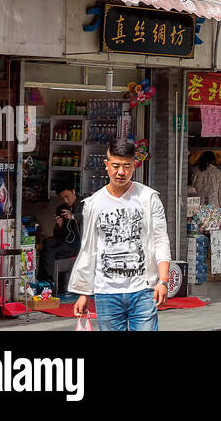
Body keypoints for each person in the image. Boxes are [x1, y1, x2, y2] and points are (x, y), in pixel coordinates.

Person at [70, 138, 172, 331]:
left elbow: (161, 240)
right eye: (116, 166)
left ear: (134, 166)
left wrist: (163, 281)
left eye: (127, 166)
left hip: (143, 289)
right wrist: (84, 293)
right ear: (106, 165)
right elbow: (89, 249)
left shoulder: (149, 198)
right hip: (106, 292)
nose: (121, 172)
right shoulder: (93, 203)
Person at [38, 186, 82, 288]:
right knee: (48, 242)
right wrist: (59, 225)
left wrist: (73, 217)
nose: (66, 200)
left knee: (51, 251)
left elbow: (86, 216)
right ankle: (43, 279)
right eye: (63, 199)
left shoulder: (85, 204)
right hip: (65, 241)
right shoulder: (61, 209)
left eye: (67, 196)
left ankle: (48, 280)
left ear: (73, 191)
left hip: (78, 242)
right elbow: (58, 235)